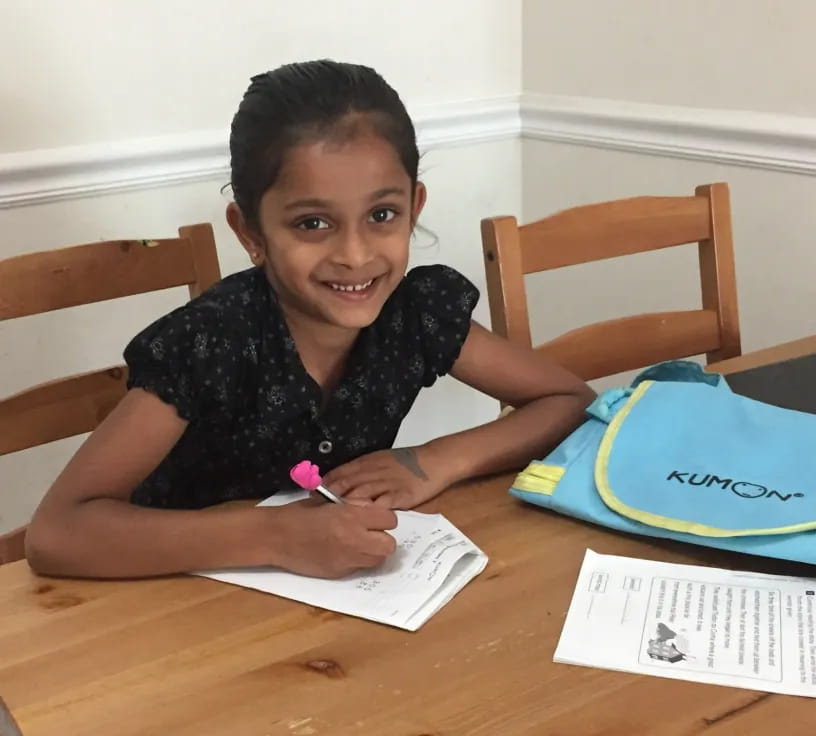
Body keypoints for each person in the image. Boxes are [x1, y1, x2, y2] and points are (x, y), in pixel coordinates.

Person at [25, 60, 595, 581]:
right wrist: (272, 534)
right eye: (312, 224)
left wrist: (436, 460)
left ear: (414, 208)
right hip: (172, 610)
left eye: (381, 214)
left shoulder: (413, 313)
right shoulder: (213, 341)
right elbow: (58, 533)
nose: (354, 254)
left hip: (329, 619)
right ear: (250, 233)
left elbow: (568, 401)